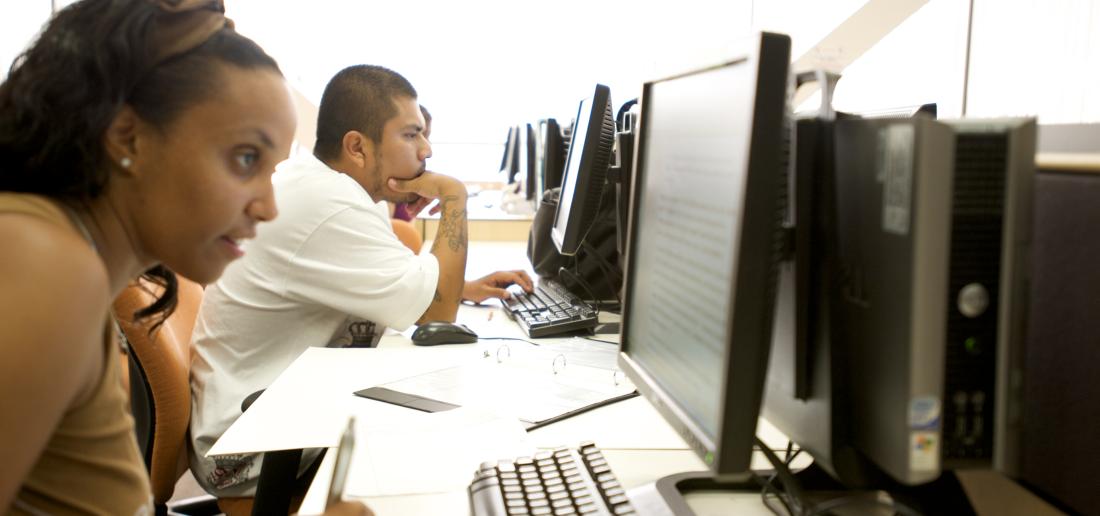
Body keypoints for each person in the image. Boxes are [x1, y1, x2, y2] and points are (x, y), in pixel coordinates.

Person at [0, 1, 368, 515]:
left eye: (272, 169)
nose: (266, 206)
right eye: (245, 159)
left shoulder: (75, 271)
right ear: (128, 137)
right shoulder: (44, 266)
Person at [188, 64, 534, 500]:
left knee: (457, 434)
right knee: (461, 466)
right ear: (357, 147)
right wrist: (453, 197)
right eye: (411, 135)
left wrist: (459, 287)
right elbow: (436, 313)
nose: (426, 150)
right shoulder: (327, 203)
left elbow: (412, 289)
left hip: (285, 419)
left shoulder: (337, 191)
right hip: (255, 453)